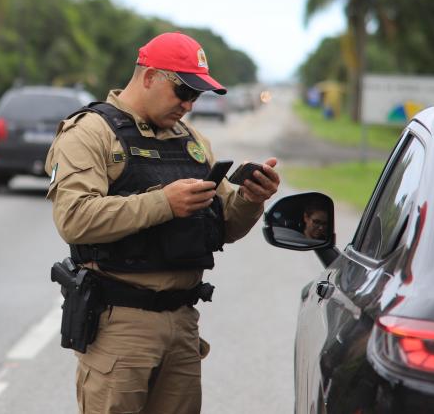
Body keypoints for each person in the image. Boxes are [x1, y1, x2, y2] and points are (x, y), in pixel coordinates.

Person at [46, 31, 281, 414]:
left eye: (197, 95)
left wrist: (251, 200)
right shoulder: (90, 132)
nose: (189, 105)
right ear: (150, 77)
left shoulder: (193, 142)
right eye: (183, 91)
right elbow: (74, 219)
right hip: (120, 324)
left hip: (183, 323)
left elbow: (224, 228)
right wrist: (163, 203)